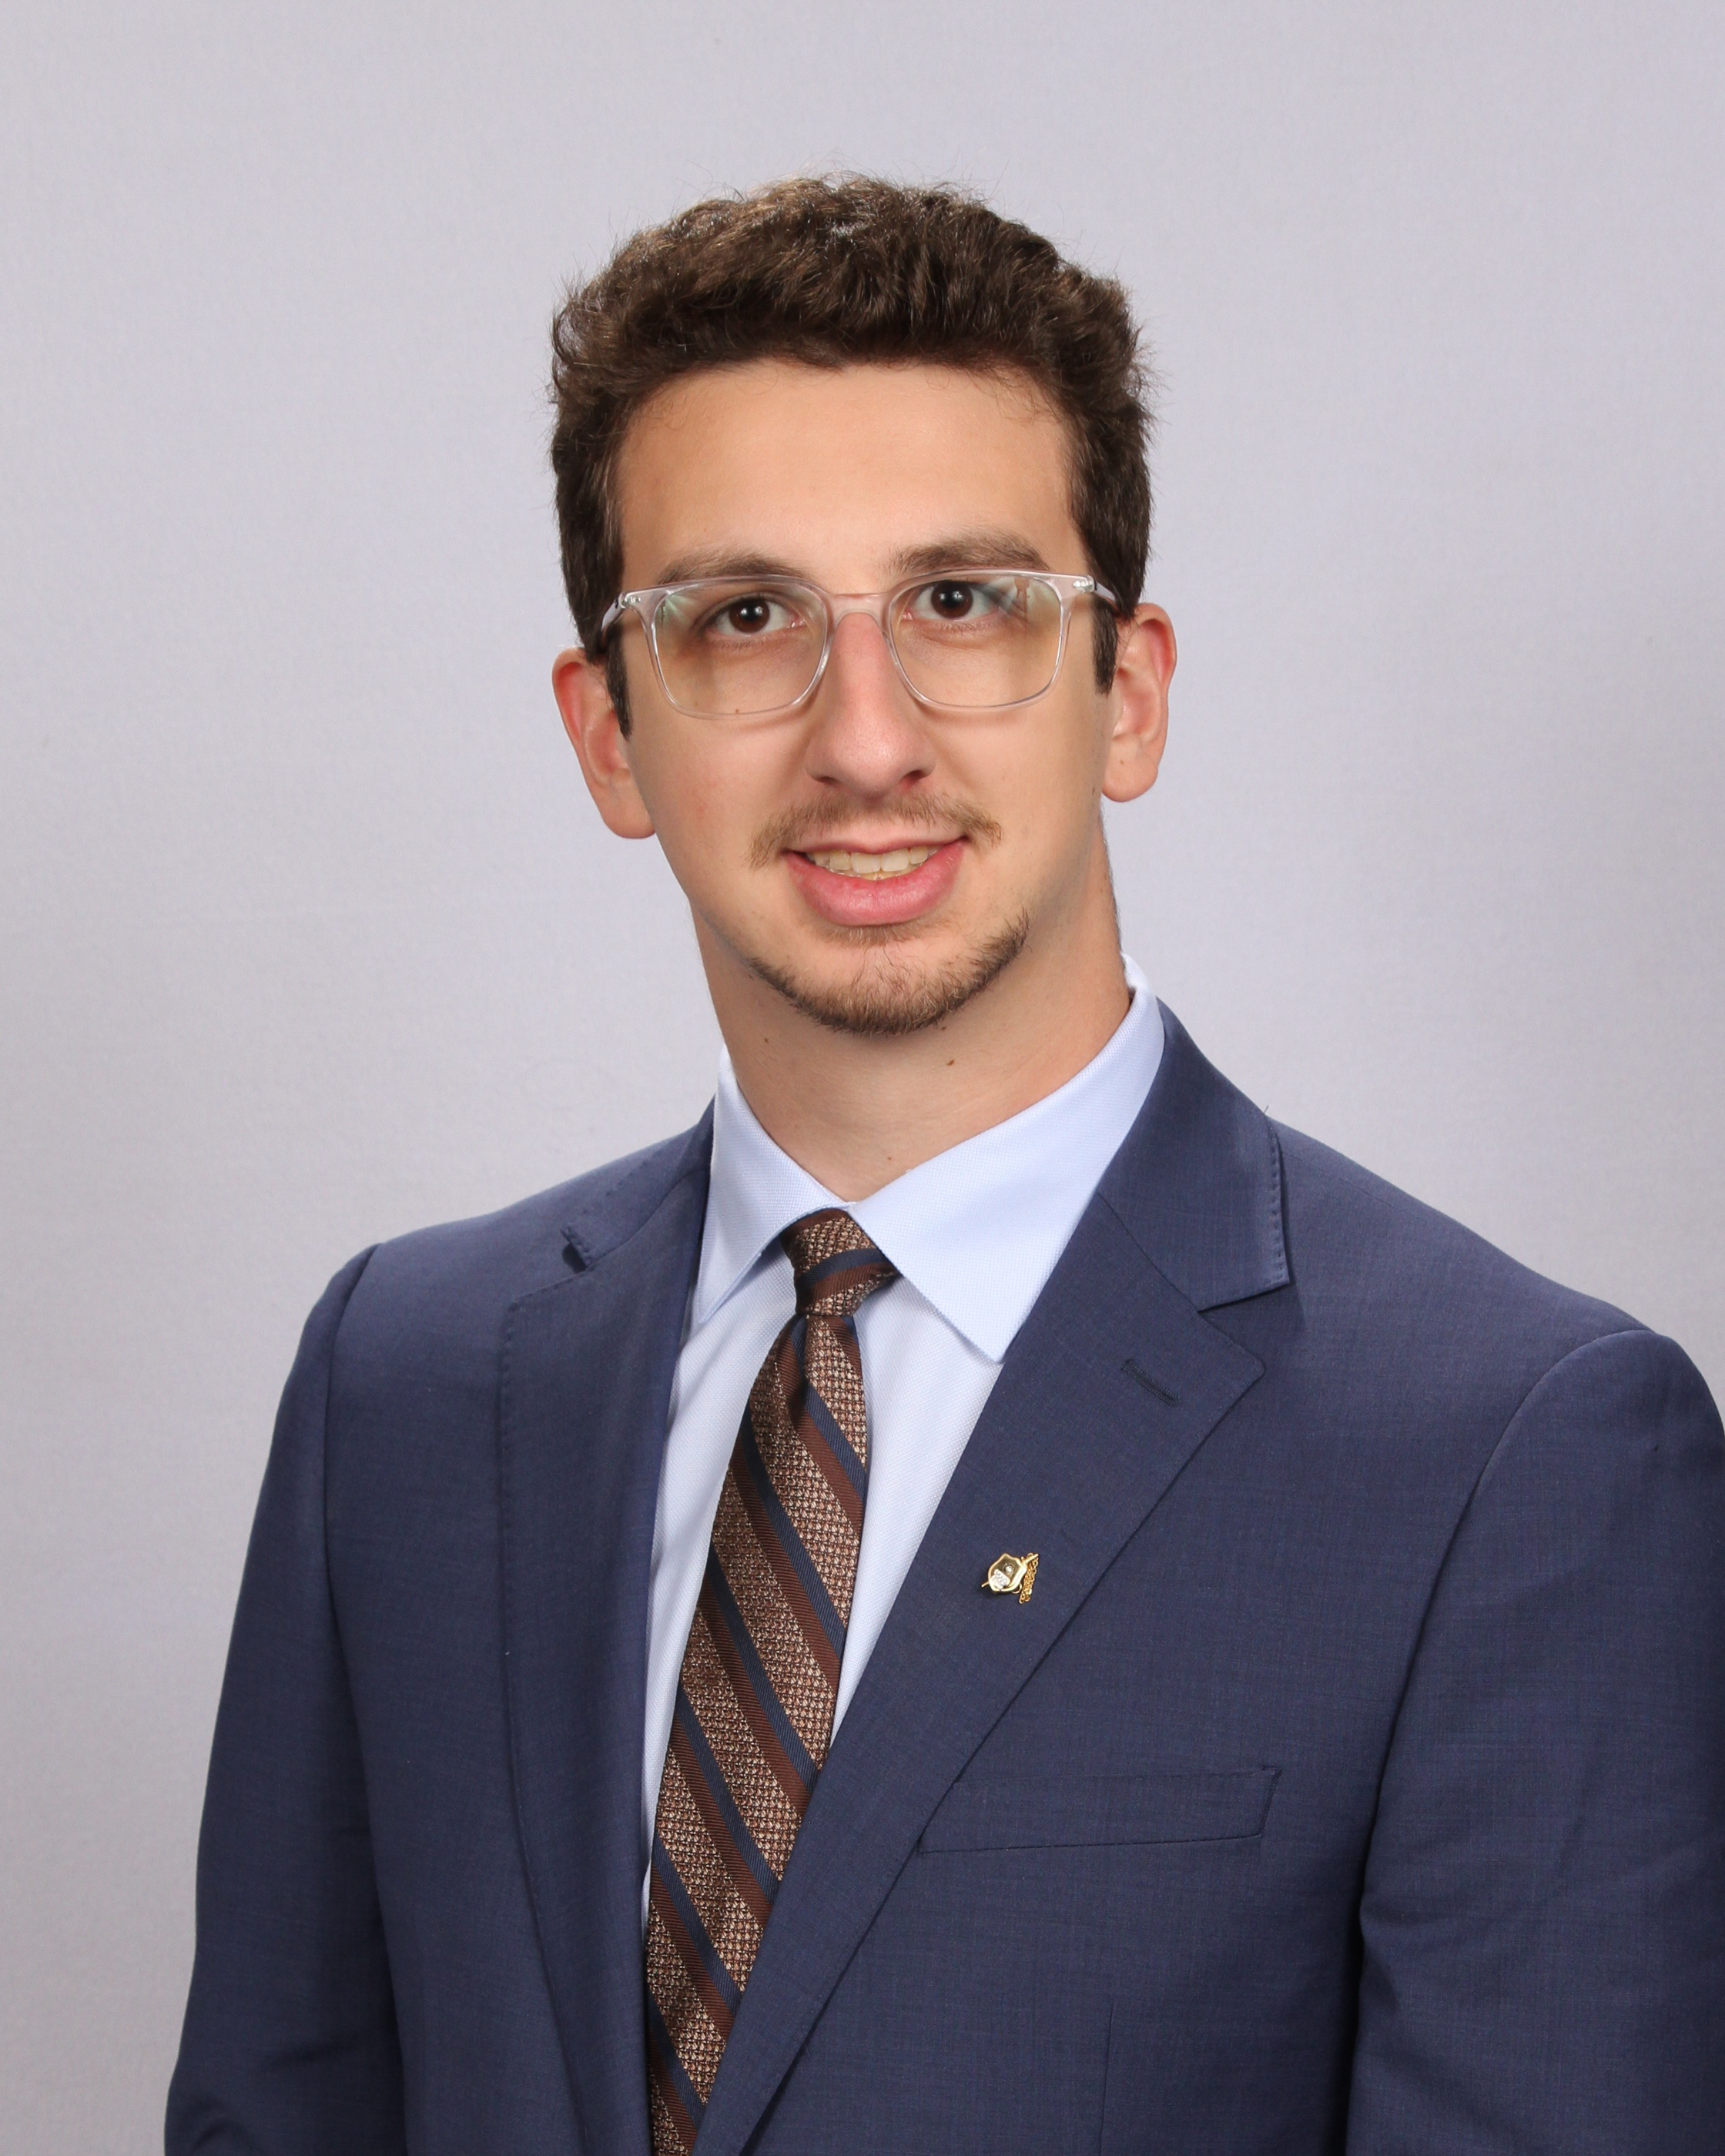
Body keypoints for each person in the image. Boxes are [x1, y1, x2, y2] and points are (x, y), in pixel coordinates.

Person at [166, 177, 1725, 2156]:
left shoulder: (1510, 1454)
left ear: (1129, 692)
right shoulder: (404, 1379)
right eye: (743, 618)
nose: (865, 738)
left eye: (964, 604)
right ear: (610, 734)